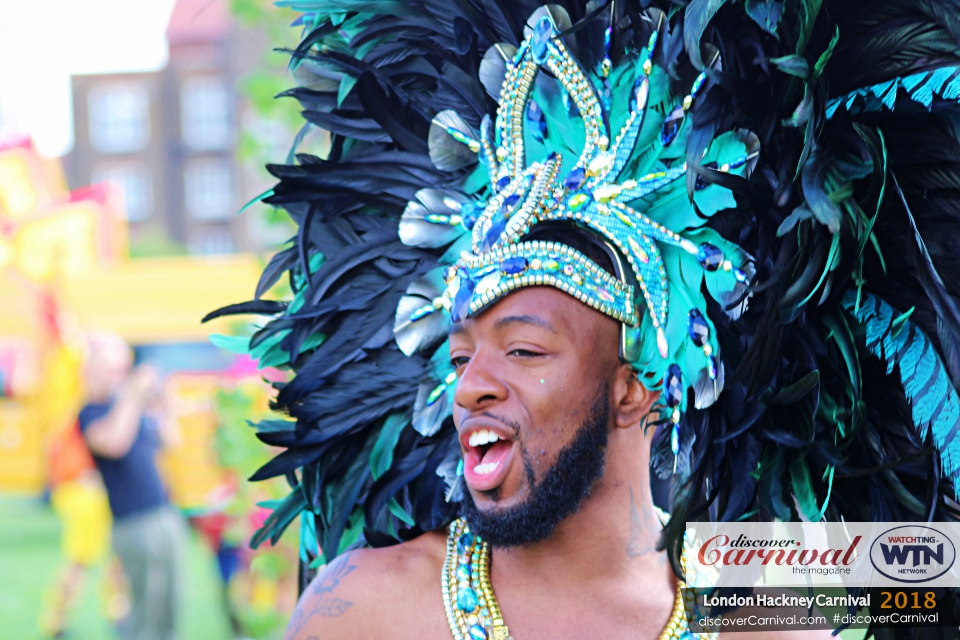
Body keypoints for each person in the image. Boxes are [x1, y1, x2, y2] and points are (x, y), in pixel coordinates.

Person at [207, 1, 960, 639]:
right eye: (461, 355)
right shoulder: (370, 608)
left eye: (524, 350)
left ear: (638, 386)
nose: (471, 387)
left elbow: (923, 569)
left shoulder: (759, 609)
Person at [79, 332, 186, 640]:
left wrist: (166, 403)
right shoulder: (90, 413)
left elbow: (171, 442)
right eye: (110, 368)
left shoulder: (129, 407)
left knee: (170, 607)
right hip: (133, 525)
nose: (117, 376)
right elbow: (115, 444)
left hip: (164, 514)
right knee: (144, 614)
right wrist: (133, 396)